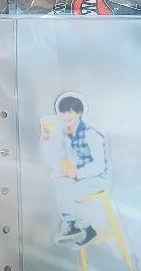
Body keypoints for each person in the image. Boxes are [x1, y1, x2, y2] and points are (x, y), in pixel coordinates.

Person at [40, 94, 110, 245]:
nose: (66, 116)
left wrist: (76, 173)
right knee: (61, 184)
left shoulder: (91, 134)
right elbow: (54, 160)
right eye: (63, 112)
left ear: (79, 113)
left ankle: (85, 228)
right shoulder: (66, 135)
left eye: (70, 112)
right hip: (79, 177)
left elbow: (99, 166)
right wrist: (46, 138)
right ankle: (74, 226)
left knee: (67, 192)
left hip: (98, 178)